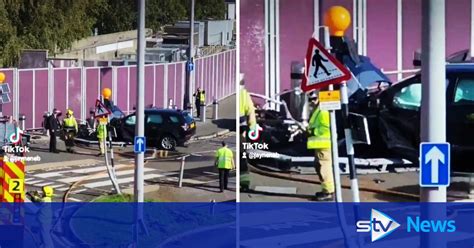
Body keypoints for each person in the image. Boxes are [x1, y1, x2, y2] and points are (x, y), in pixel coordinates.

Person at [307, 90, 334, 201]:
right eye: (309, 100)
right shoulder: (318, 109)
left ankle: (328, 192)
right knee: (319, 166)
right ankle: (326, 190)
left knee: (324, 167)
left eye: (313, 99)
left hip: (324, 144)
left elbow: (325, 128)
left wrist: (313, 131)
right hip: (320, 144)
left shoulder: (323, 111)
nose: (311, 102)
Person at [239, 73, 256, 192]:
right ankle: (244, 183)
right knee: (242, 157)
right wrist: (253, 128)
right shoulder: (244, 94)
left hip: (238, 128)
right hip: (242, 130)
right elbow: (251, 112)